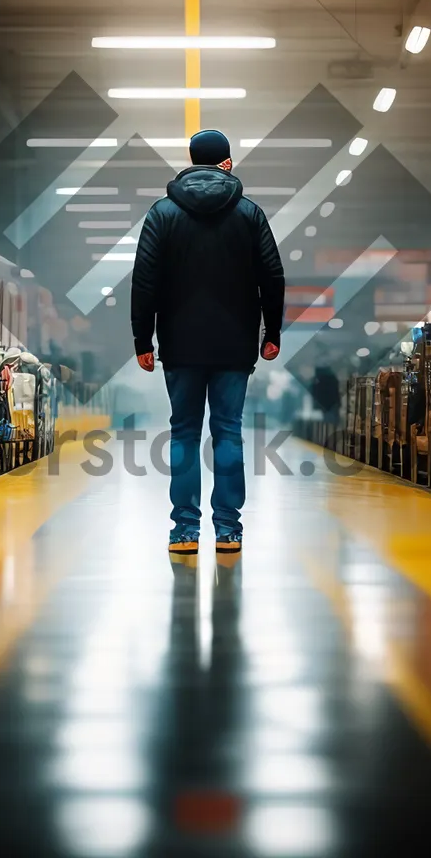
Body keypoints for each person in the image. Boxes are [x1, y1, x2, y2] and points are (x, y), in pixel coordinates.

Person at [131, 129, 286, 555]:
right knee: (228, 433)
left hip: (179, 344)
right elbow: (272, 277)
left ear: (191, 160)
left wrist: (142, 337)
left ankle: (183, 531)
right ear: (228, 164)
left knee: (182, 432)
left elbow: (144, 281)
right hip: (235, 345)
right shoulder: (250, 214)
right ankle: (228, 530)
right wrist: (271, 333)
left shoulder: (162, 213)